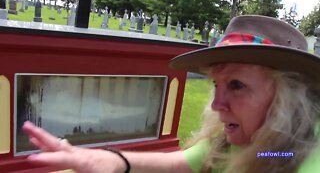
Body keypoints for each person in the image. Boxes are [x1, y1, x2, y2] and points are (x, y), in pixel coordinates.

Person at [22, 15, 320, 173]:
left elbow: (280, 155)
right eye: (216, 85)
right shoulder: (235, 143)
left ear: (287, 97)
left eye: (236, 85)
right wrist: (114, 161)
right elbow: (178, 164)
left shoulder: (302, 156)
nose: (217, 105)